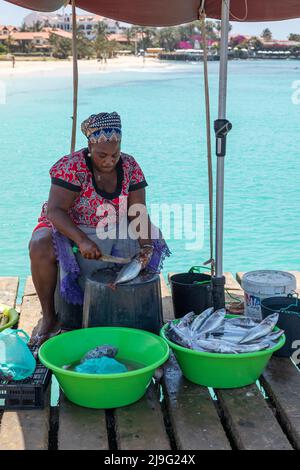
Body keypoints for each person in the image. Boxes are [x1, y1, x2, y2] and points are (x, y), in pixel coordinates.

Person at [29, 112, 169, 347]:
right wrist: (81, 240)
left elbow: (137, 212)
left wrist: (146, 246)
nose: (109, 160)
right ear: (90, 146)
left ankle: (129, 309)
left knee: (152, 237)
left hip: (112, 225)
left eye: (114, 154)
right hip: (70, 226)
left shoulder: (130, 165)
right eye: (102, 154)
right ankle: (50, 318)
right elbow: (55, 211)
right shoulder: (71, 167)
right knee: (39, 244)